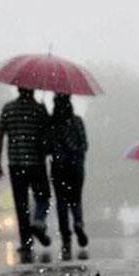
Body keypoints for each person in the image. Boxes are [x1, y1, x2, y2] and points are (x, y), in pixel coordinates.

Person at [0, 87, 52, 255]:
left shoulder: (8, 109)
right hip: (36, 163)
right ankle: (39, 222)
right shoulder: (39, 109)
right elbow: (48, 135)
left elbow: (0, 136)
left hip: (16, 164)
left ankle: (26, 242)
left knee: (21, 204)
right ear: (33, 90)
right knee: (43, 196)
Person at [49, 93, 88, 259]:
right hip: (76, 168)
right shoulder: (78, 121)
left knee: (62, 202)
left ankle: (66, 235)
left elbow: (47, 147)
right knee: (76, 199)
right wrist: (75, 152)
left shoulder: (52, 124)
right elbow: (85, 144)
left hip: (59, 168)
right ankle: (78, 223)